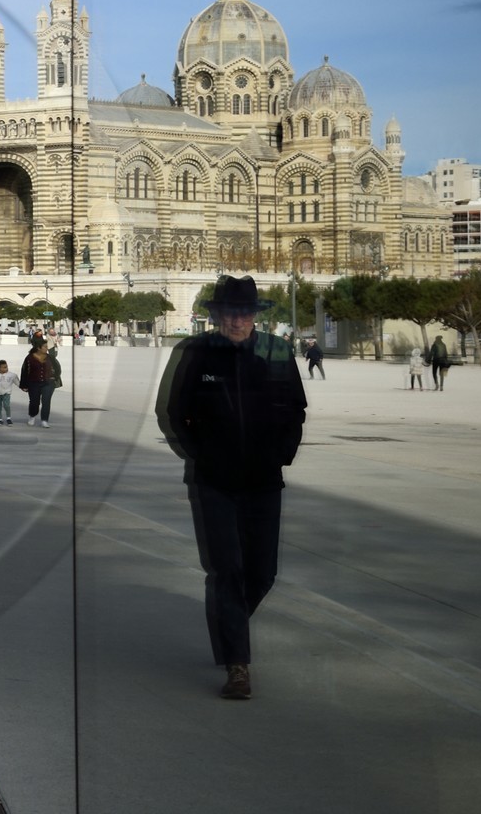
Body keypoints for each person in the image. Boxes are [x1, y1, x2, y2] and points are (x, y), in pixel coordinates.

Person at [156, 275, 308, 701]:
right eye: (230, 313)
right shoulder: (195, 351)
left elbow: (295, 409)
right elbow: (172, 411)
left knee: (262, 573)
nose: (238, 320)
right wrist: (199, 455)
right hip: (214, 481)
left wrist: (282, 453)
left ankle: (230, 628)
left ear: (254, 316)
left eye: (245, 313)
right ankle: (238, 666)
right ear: (217, 315)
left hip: (263, 480)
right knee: (227, 570)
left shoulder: (275, 351)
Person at [18, 337, 59, 426]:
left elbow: (57, 368)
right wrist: (23, 385)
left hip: (48, 383)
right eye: (44, 346)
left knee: (46, 401)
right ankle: (32, 416)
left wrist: (54, 378)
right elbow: (24, 371)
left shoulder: (50, 358)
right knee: (34, 401)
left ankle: (44, 420)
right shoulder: (29, 358)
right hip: (33, 383)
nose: (47, 348)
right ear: (38, 348)